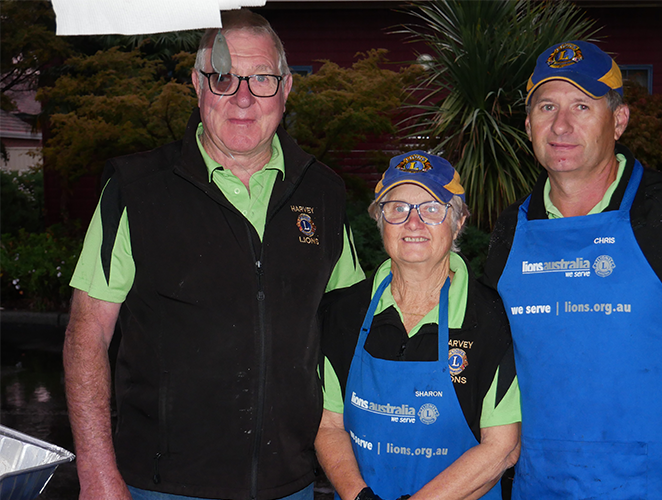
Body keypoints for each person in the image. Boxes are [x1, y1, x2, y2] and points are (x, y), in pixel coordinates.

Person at [63, 9, 364, 500]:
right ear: (197, 85)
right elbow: (87, 332)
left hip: (288, 485)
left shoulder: (325, 194)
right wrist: (97, 473)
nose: (243, 97)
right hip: (162, 488)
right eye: (223, 78)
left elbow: (347, 330)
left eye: (261, 78)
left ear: (286, 88)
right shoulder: (136, 190)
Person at [483, 41, 662, 499]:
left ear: (620, 120)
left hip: (661, 484)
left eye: (582, 106)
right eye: (547, 106)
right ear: (529, 123)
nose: (561, 125)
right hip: (540, 483)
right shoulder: (512, 229)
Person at [315, 151, 521, 500]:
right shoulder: (341, 313)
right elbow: (328, 425)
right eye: (397, 208)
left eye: (432, 208)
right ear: (380, 221)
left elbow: (502, 448)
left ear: (458, 222)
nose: (413, 222)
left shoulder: (492, 320)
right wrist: (358, 496)